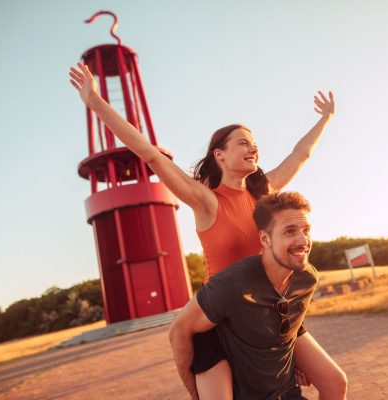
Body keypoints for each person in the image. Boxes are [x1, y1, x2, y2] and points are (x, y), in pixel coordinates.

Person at [68, 63, 347, 399]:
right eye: (243, 142)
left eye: (254, 142)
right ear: (220, 155)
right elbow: (149, 155)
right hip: (219, 318)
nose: (252, 147)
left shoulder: (263, 196)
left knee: (335, 382)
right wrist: (96, 102)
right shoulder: (206, 201)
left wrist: (325, 118)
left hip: (265, 311)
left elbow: (300, 155)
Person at [170, 191, 342, 399]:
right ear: (265, 239)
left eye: (306, 230)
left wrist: (298, 361)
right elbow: (179, 331)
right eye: (289, 232)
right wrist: (194, 391)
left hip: (279, 384)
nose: (303, 240)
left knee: (337, 383)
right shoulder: (232, 284)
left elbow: (289, 330)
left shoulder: (307, 279)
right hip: (231, 376)